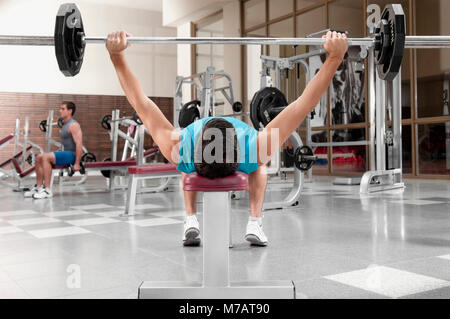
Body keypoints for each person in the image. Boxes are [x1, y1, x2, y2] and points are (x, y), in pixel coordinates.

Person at [106, 30, 348, 246]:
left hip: (190, 156)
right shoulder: (254, 149)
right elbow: (304, 104)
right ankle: (255, 222)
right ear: (237, 150)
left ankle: (190, 219)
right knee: (259, 166)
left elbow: (142, 104)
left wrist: (116, 57)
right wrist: (335, 58)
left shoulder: (182, 149)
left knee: (182, 163)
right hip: (248, 155)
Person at [24, 102, 83, 199]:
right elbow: (67, 143)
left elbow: (79, 144)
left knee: (45, 157)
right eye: (60, 108)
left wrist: (77, 163)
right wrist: (58, 151)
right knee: (39, 157)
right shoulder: (65, 125)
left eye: (63, 109)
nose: (60, 111)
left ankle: (47, 190)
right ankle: (39, 187)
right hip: (66, 153)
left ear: (70, 111)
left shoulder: (73, 125)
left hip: (72, 155)